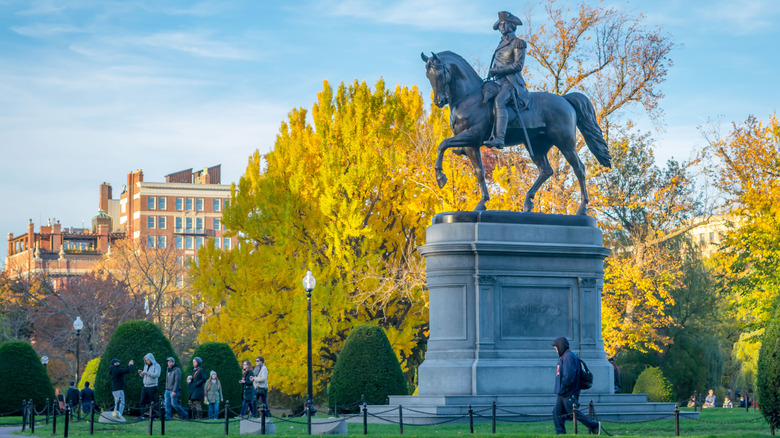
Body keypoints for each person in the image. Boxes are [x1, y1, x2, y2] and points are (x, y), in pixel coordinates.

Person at [482, 11, 530, 150]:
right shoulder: (501, 44)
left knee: (499, 101)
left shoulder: (518, 43)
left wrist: (497, 71)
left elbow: (518, 65)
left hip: (511, 82)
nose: (502, 27)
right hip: (497, 81)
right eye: (500, 24)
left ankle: (500, 138)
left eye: (505, 24)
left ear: (512, 26)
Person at [551, 336, 601, 435]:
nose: (555, 349)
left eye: (556, 347)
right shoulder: (564, 357)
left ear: (560, 346)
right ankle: (560, 433)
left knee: (573, 412)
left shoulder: (569, 357)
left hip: (568, 392)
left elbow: (569, 376)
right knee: (557, 413)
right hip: (563, 392)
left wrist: (563, 389)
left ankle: (594, 425)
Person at [138, 353, 161, 419]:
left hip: (153, 386)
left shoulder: (157, 366)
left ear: (151, 359)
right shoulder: (146, 366)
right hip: (145, 386)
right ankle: (141, 416)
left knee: (152, 402)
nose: (146, 361)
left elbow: (157, 374)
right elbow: (143, 375)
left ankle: (154, 417)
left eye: (148, 360)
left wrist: (147, 373)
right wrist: (141, 373)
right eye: (146, 360)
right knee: (142, 401)